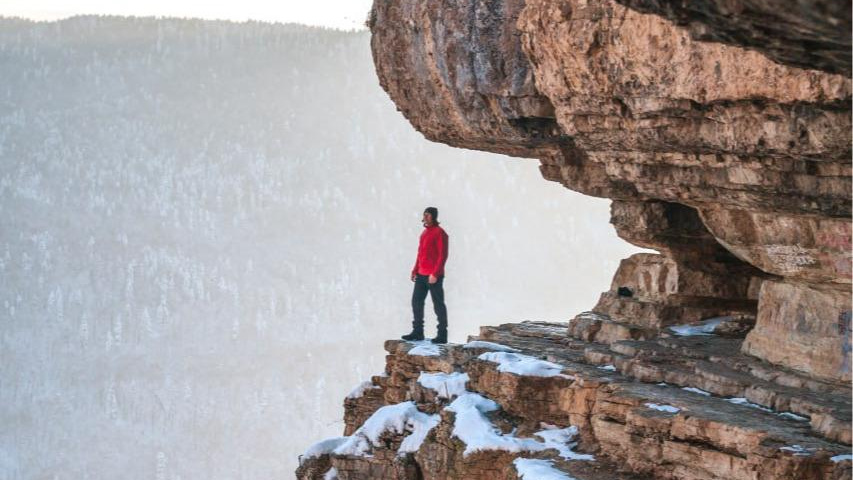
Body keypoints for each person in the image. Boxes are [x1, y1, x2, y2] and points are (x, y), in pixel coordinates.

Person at [402, 207, 449, 344]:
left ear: (434, 217)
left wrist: (435, 273)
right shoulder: (424, 234)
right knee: (416, 302)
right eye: (425, 215)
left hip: (434, 276)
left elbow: (443, 255)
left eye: (428, 215)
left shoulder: (440, 233)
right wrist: (414, 269)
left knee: (438, 305)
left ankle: (442, 334)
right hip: (421, 274)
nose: (426, 217)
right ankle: (418, 332)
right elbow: (420, 254)